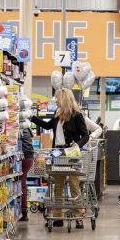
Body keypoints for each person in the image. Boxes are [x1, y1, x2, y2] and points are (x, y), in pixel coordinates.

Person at [31, 89, 90, 229]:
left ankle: (78, 217)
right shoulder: (57, 115)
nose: (55, 100)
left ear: (63, 99)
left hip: (71, 154)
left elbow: (85, 135)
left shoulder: (76, 116)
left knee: (74, 184)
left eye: (57, 98)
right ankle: (57, 217)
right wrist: (31, 118)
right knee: (58, 185)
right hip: (57, 153)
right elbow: (46, 125)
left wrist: (78, 145)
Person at [19, 127, 35, 222]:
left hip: (23, 157)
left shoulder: (16, 126)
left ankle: (23, 211)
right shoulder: (27, 128)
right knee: (22, 182)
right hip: (29, 157)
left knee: (21, 183)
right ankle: (23, 210)